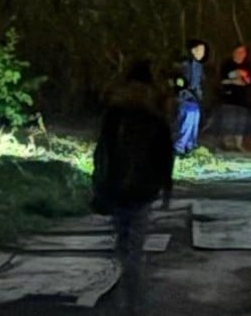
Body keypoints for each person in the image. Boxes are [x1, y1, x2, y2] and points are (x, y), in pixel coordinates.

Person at [91, 60, 174, 315]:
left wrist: (99, 183)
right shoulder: (154, 117)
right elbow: (164, 156)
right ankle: (132, 303)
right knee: (134, 246)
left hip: (117, 189)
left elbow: (102, 153)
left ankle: (123, 298)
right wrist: (166, 187)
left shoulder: (114, 114)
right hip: (143, 190)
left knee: (122, 241)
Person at [174, 39, 208, 156]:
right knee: (186, 124)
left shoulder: (199, 66)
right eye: (200, 50)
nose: (202, 53)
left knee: (194, 123)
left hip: (195, 100)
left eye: (203, 50)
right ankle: (179, 147)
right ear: (193, 51)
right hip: (187, 99)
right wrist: (185, 91)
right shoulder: (186, 65)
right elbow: (180, 81)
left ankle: (190, 146)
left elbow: (200, 82)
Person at [218, 44, 251, 151]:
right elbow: (222, 80)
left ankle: (238, 144)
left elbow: (250, 81)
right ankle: (227, 143)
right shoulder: (227, 64)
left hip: (242, 99)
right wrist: (233, 80)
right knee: (229, 121)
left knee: (241, 122)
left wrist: (244, 79)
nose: (240, 54)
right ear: (234, 52)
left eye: (243, 52)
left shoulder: (247, 65)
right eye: (238, 52)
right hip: (229, 98)